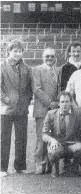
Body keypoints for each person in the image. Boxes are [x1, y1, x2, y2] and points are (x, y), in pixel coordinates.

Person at [42, 91, 81, 178]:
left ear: (71, 102)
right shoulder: (51, 114)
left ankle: (73, 167)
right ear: (58, 103)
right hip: (58, 144)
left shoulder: (77, 113)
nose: (64, 104)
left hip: (72, 143)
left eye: (67, 101)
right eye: (62, 102)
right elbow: (44, 134)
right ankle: (55, 169)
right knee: (53, 151)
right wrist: (52, 140)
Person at [1, 40, 33, 177]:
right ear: (9, 51)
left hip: (21, 108)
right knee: (4, 138)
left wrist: (26, 102)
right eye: (15, 51)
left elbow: (29, 89)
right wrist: (4, 99)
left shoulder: (26, 68)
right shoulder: (2, 66)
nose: (17, 53)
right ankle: (2, 168)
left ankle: (19, 166)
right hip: (6, 108)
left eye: (20, 51)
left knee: (21, 138)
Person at [32, 47, 61, 174]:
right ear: (43, 57)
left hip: (56, 109)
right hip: (42, 108)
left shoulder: (59, 70)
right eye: (47, 56)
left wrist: (58, 103)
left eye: (52, 56)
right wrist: (50, 103)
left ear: (56, 58)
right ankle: (40, 163)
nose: (50, 58)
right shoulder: (37, 70)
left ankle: (50, 162)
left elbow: (60, 87)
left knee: (54, 135)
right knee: (41, 137)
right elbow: (37, 89)